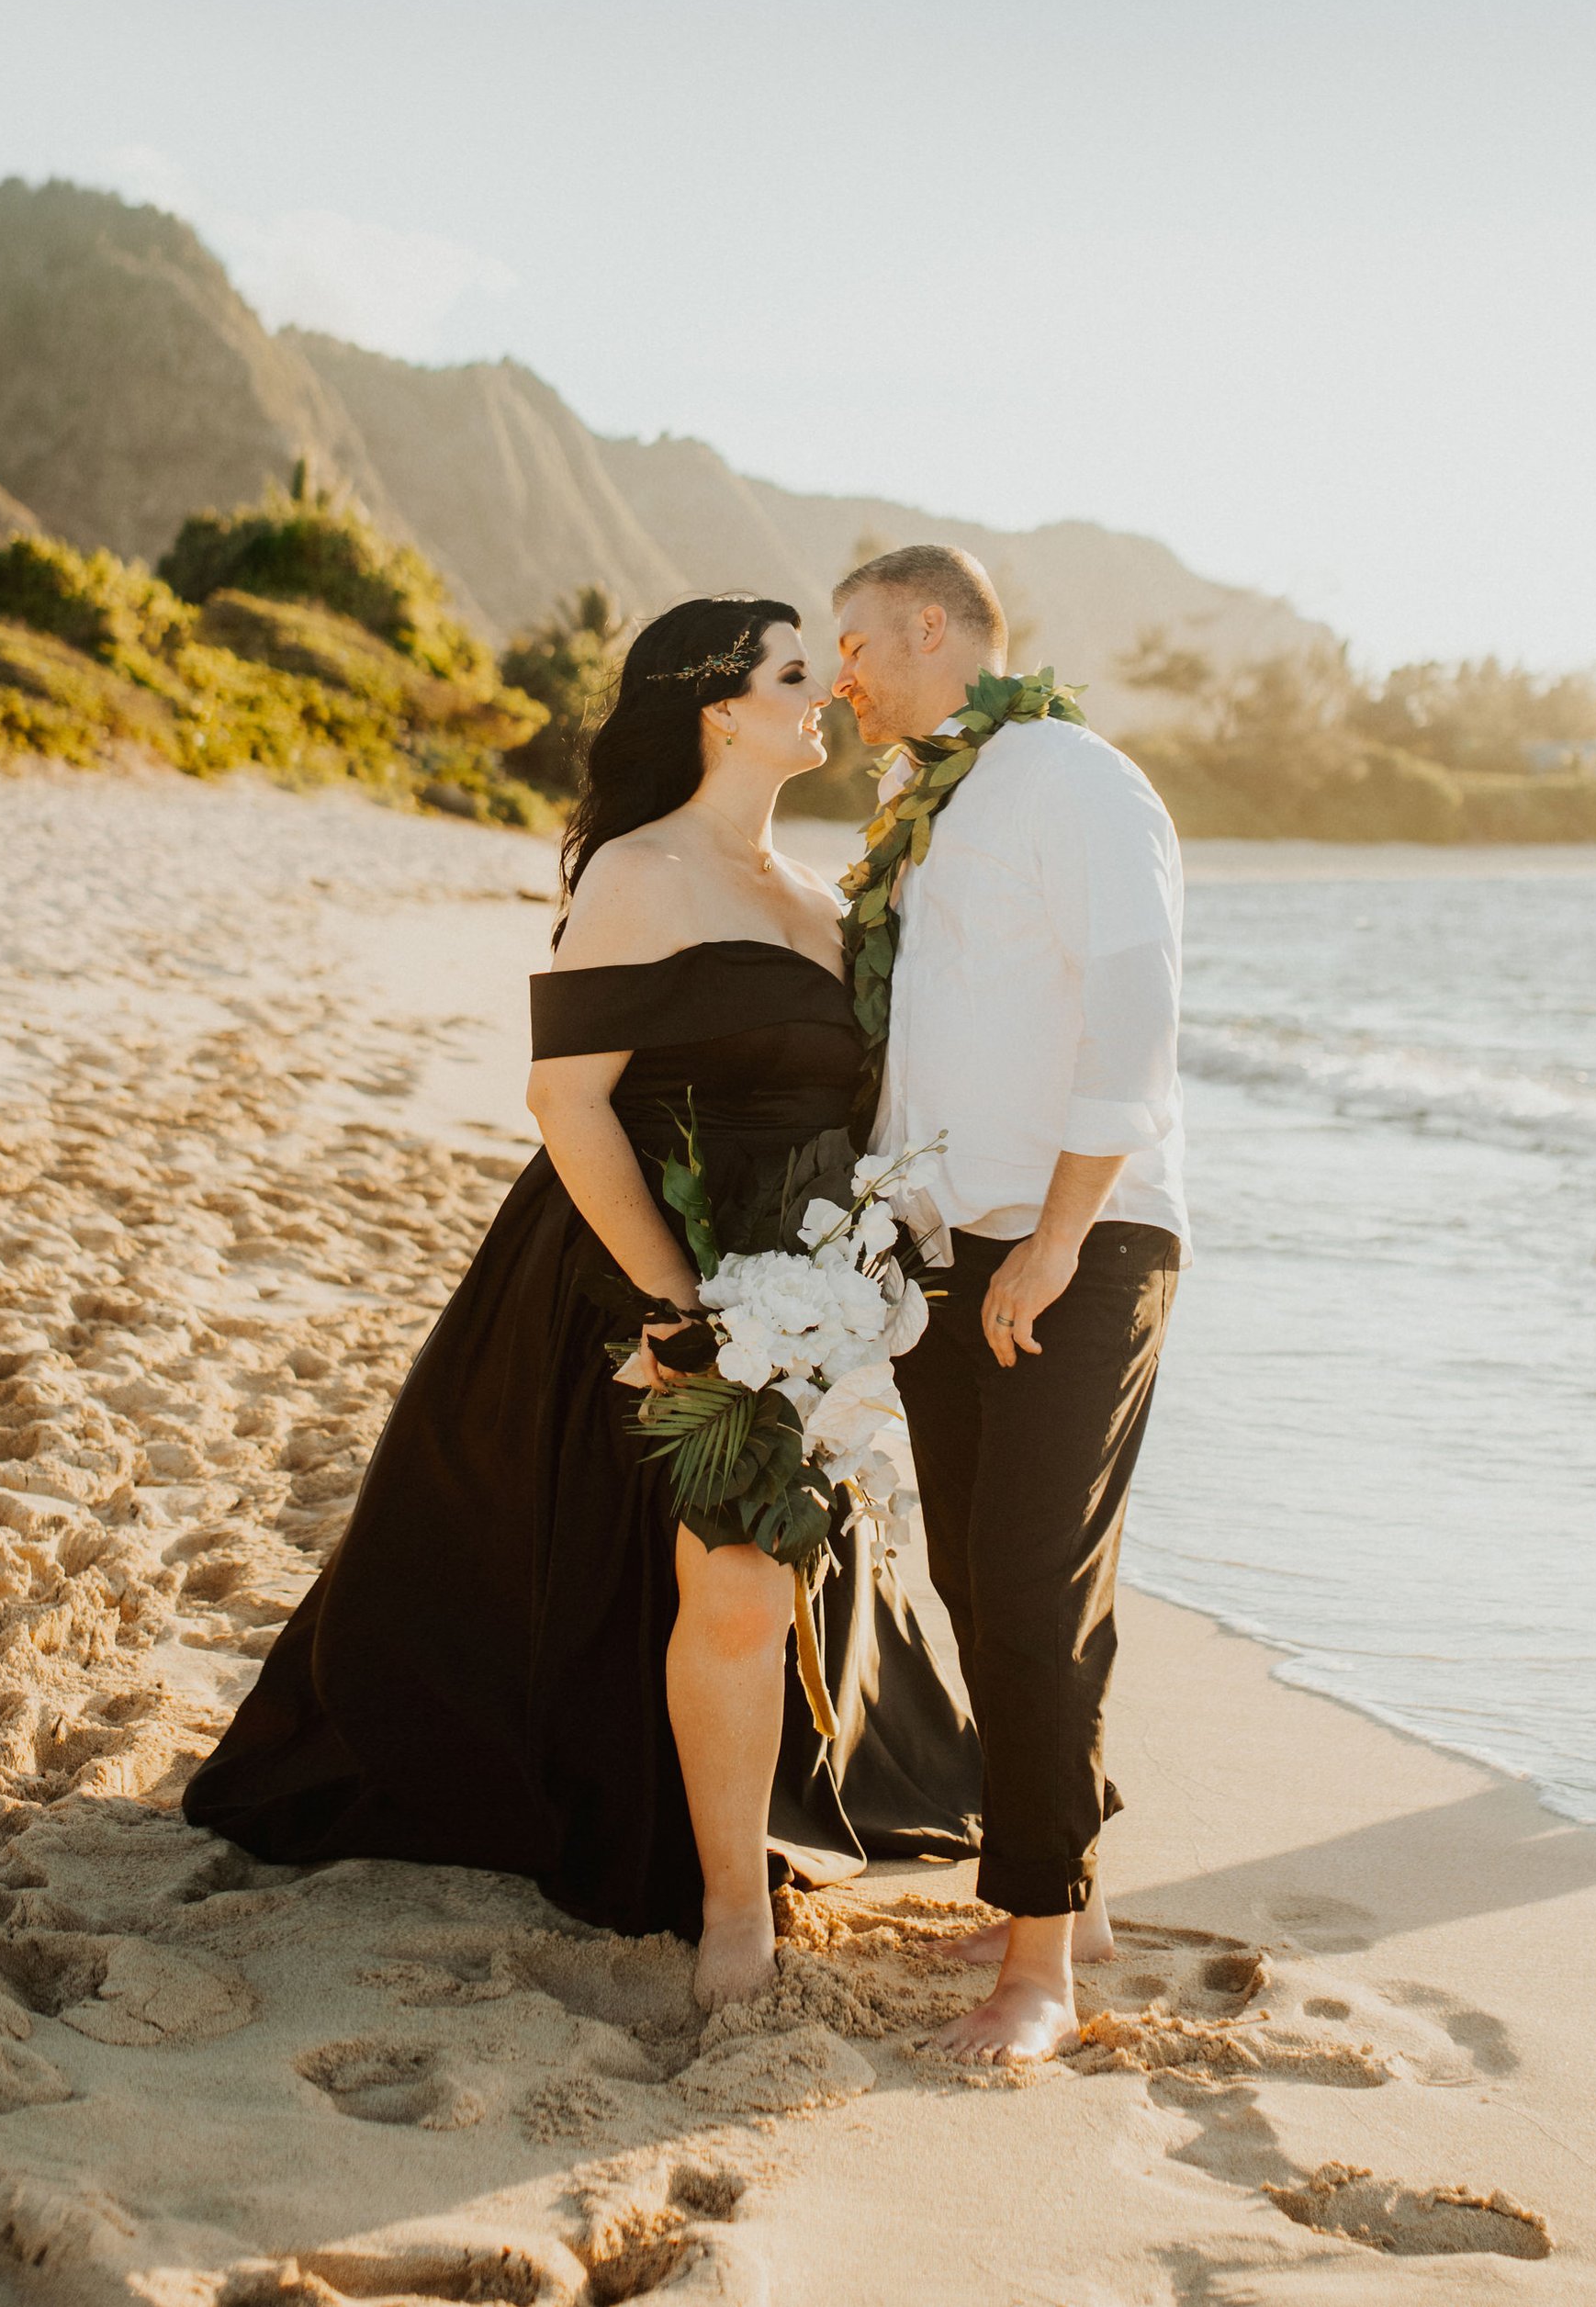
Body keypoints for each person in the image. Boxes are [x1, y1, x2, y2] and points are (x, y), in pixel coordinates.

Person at [184, 594, 978, 2009]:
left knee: (750, 1572)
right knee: (714, 1570)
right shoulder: (640, 871)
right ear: (718, 708)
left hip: (808, 1278)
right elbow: (566, 1099)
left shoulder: (825, 897)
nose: (826, 692)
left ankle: (734, 1832)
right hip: (647, 1255)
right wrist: (675, 1306)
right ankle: (727, 1912)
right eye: (796, 671)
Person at [831, 543, 1187, 2064]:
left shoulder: (1071, 777)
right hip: (953, 1247)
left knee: (1031, 1585)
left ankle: (1039, 1967)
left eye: (856, 644)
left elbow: (1135, 1004)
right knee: (982, 1582)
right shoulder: (932, 800)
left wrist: (1057, 1236)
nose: (841, 675)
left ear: (933, 626)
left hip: (1079, 1242)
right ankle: (1072, 1883)